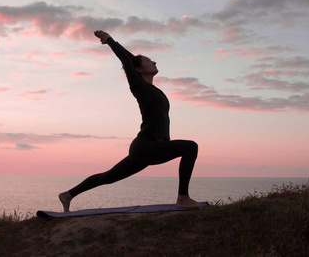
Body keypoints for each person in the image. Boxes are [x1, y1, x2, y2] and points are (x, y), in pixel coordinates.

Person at [58, 30, 203, 212]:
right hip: (146, 146)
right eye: (149, 61)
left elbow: (132, 59)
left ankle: (68, 195)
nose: (154, 62)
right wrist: (109, 40)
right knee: (190, 147)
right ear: (140, 70)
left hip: (148, 149)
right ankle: (183, 198)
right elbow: (127, 61)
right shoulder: (139, 86)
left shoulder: (152, 89)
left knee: (108, 177)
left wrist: (130, 55)